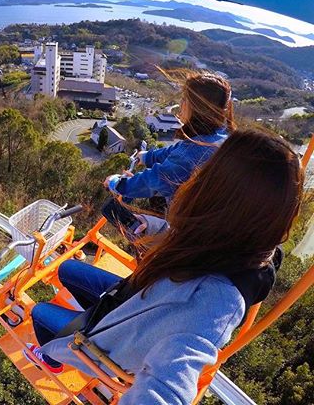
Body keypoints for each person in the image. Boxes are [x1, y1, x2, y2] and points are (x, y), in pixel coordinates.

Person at [24, 128, 302, 405]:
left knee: (39, 312)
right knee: (66, 270)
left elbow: (168, 387)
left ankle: (50, 359)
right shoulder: (241, 242)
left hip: (112, 346)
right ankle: (78, 325)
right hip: (131, 303)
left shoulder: (219, 300)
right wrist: (153, 227)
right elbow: (199, 241)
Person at [102, 72, 235, 238]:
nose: (181, 104)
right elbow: (176, 151)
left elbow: (154, 180)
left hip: (192, 237)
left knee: (112, 213)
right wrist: (146, 157)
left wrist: (116, 183)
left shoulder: (192, 154)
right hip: (212, 225)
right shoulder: (220, 137)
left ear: (195, 107)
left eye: (184, 100)